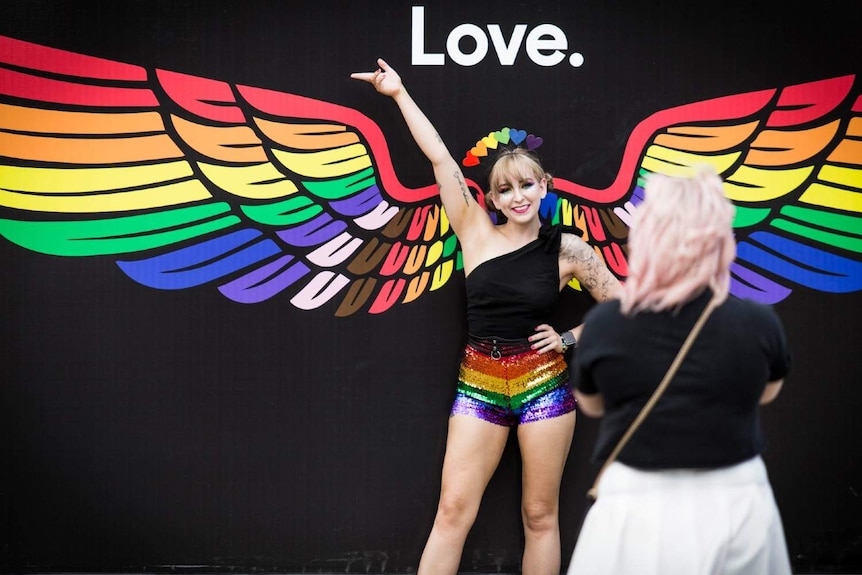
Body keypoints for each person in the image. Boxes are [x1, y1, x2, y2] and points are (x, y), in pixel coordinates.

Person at [351, 59, 621, 575]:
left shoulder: (569, 250)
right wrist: (398, 94)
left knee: (539, 515)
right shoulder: (473, 230)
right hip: (478, 382)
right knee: (452, 511)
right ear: (492, 197)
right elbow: (440, 160)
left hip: (544, 385)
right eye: (504, 189)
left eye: (526, 185)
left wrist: (568, 337)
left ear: (544, 186)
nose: (516, 196)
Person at [568, 166, 793, 575]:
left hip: (635, 510)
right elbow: (767, 392)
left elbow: (592, 403)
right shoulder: (759, 323)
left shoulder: (606, 325)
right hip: (738, 507)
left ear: (648, 235)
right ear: (719, 239)